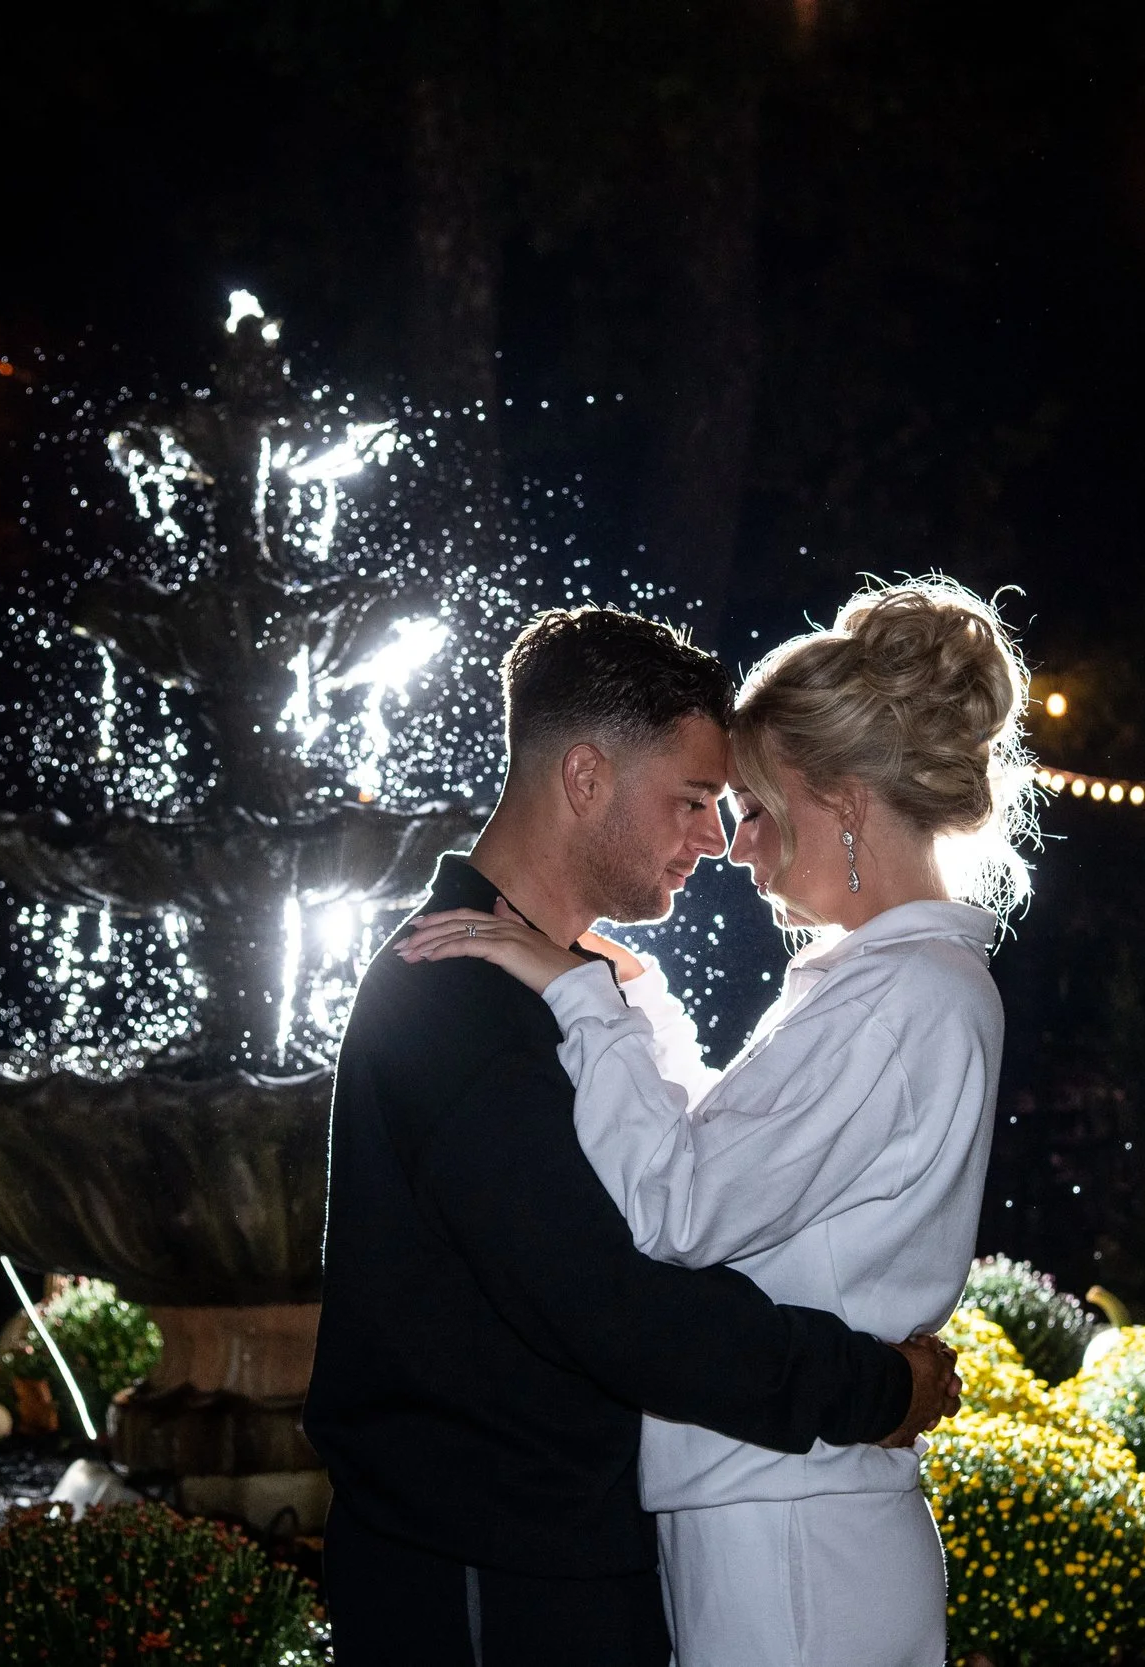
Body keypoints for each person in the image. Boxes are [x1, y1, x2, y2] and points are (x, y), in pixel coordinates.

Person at [306, 605, 963, 1667]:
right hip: (481, 1572)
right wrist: (871, 1387)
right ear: (584, 779)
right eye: (694, 800)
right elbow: (610, 1305)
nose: (712, 837)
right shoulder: (457, 1000)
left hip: (554, 1558)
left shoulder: (551, 985)